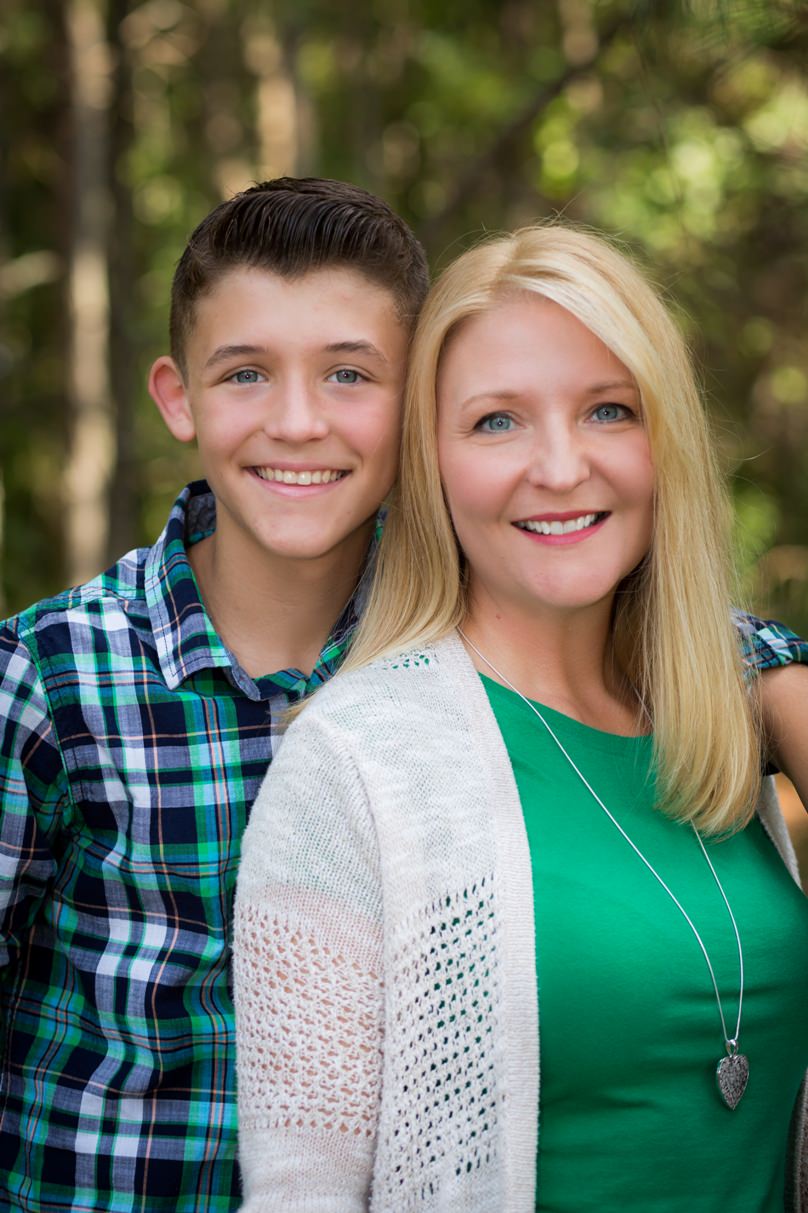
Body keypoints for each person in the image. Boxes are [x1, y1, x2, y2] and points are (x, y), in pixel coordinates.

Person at [234, 223, 808, 1212]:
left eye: (607, 410)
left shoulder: (725, 718)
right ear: (433, 464)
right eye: (497, 421)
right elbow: (300, 1195)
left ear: (663, 439)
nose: (558, 466)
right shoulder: (354, 762)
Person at [0, 178, 429, 1212]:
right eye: (245, 373)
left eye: (348, 375)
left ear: (418, 400)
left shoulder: (453, 654)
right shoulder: (51, 675)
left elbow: (667, 629)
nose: (296, 420)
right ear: (178, 397)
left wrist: (772, 673)